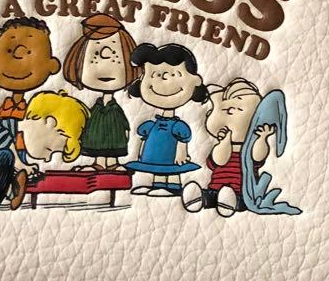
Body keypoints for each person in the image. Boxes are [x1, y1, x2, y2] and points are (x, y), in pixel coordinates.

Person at [181, 78, 300, 216]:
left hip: (242, 192)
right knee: (210, 195)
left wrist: (262, 138)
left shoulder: (249, 148)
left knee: (238, 201)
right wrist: (225, 142)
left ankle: (228, 204)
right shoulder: (223, 143)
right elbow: (219, 161)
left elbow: (257, 157)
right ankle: (201, 199)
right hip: (215, 188)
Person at [0, 90, 88, 210]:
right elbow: (10, 156)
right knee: (5, 155)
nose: (47, 159)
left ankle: (13, 193)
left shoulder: (20, 143)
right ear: (49, 122)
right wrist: (24, 167)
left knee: (13, 163)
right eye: (49, 149)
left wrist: (27, 170)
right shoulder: (4, 127)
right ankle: (14, 190)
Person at [125, 42, 208, 196]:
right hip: (153, 157)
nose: (164, 78)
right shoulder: (152, 125)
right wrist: (141, 154)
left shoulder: (178, 127)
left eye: (174, 75)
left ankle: (174, 188)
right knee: (158, 168)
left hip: (172, 156)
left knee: (172, 169)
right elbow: (144, 139)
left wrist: (181, 153)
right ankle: (157, 186)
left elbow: (182, 140)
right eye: (155, 75)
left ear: (195, 80)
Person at [62, 14, 141, 170]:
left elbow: (124, 123)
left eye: (116, 57)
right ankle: (98, 163)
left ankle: (112, 164)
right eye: (95, 57)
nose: (106, 58)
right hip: (96, 138)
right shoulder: (95, 108)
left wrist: (125, 132)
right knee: (97, 146)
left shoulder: (115, 109)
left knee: (112, 149)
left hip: (115, 138)